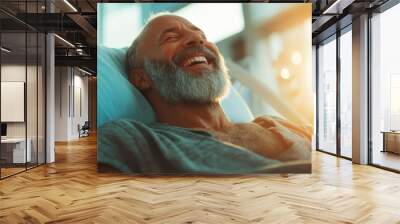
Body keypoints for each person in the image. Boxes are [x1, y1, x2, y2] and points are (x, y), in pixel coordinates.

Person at [98, 13, 312, 174]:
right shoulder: (133, 139)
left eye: (202, 35)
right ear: (142, 78)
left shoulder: (277, 124)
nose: (197, 39)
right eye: (171, 37)